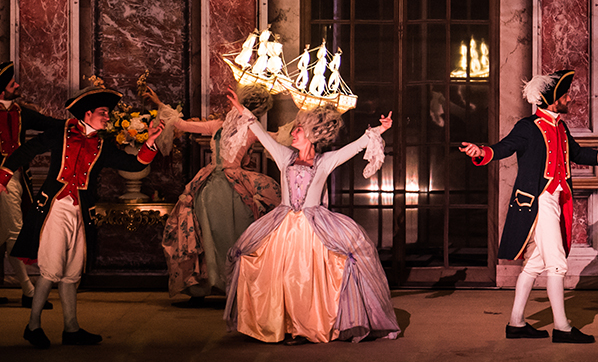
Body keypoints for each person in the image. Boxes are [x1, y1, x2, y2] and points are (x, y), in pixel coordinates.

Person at [461, 70, 598, 344]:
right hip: (539, 201)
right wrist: (482, 151)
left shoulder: (560, 126)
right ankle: (562, 328)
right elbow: (504, 147)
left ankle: (516, 324)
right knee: (557, 264)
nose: (569, 99)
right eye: (565, 95)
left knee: (534, 264)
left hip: (555, 199)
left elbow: (577, 153)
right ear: (552, 99)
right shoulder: (527, 127)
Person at [0, 79, 165, 348]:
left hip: (80, 212)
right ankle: (33, 326)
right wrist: (4, 175)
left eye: (108, 113)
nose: (108, 117)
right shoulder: (61, 131)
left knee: (71, 273)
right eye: (103, 113)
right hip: (54, 209)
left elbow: (133, 164)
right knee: (50, 271)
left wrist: (150, 143)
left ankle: (71, 329)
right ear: (87, 114)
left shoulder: (102, 144)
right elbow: (28, 149)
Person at [223, 96, 398, 344]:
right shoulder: (285, 157)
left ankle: (304, 327)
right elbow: (261, 134)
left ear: (312, 134)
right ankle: (282, 323)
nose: (293, 133)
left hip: (314, 226)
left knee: (304, 278)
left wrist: (381, 128)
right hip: (283, 224)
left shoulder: (324, 162)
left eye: (298, 130)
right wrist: (243, 111)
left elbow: (357, 146)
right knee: (278, 275)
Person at [151, 83, 282, 302]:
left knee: (212, 234)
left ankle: (213, 286)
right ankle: (229, 286)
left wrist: (160, 105)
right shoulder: (244, 129)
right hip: (227, 187)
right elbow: (278, 139)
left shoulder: (222, 127)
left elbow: (181, 124)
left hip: (213, 187)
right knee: (228, 234)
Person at [0, 60, 61, 308]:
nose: (17, 86)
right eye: (12, 84)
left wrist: (81, 125)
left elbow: (51, 124)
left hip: (16, 177)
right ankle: (29, 291)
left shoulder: (21, 112)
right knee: (14, 231)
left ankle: (28, 291)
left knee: (9, 231)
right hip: (2, 179)